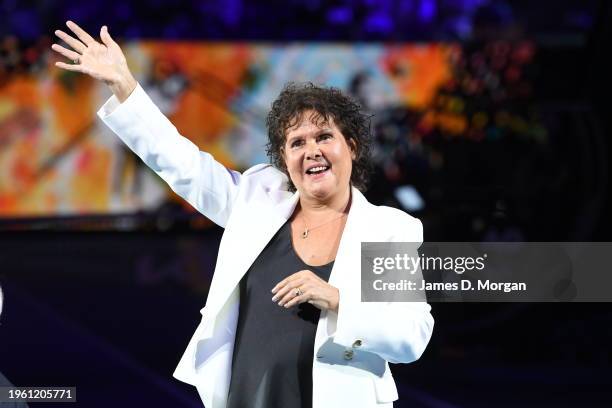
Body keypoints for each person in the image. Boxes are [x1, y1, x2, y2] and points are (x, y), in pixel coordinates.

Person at [51, 21, 434, 408]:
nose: (311, 150)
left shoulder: (387, 229)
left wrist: (338, 299)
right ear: (284, 160)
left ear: (350, 146)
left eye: (324, 137)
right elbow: (184, 166)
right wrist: (124, 86)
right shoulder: (256, 201)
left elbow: (410, 336)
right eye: (296, 143)